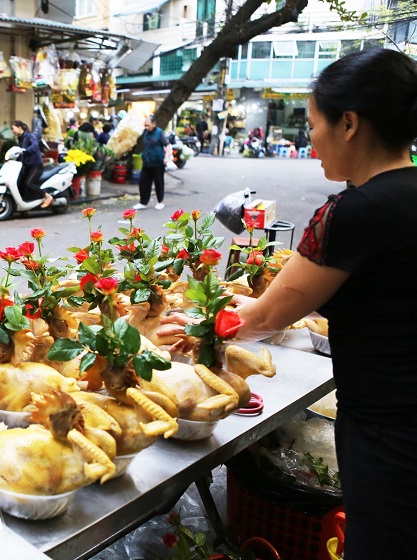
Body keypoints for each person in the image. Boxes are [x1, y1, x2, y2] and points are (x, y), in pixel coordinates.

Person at [164, 48, 417, 558]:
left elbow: (263, 317)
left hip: (389, 435)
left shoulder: (353, 212)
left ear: (350, 123)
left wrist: (198, 323)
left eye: (314, 123)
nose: (311, 139)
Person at [11, 120, 52, 208]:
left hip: (36, 165)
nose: (12, 131)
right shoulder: (20, 138)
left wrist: (25, 150)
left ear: (19, 127)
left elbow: (35, 146)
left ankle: (47, 196)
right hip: (27, 166)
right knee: (20, 183)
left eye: (13, 128)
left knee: (29, 183)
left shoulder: (30, 136)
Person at [133, 115, 171, 210]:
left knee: (158, 182)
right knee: (143, 182)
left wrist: (166, 157)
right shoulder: (146, 133)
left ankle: (160, 201)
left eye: (148, 125)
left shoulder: (159, 132)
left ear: (154, 124)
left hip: (157, 162)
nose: (146, 127)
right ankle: (143, 202)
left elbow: (168, 145)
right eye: (145, 125)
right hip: (146, 162)